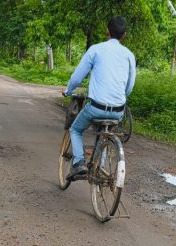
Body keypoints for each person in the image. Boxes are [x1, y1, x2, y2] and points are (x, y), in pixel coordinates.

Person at [63, 16, 136, 180]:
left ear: (107, 31)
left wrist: (69, 90)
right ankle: (99, 166)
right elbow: (129, 86)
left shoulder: (95, 50)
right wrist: (119, 99)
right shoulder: (129, 55)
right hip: (118, 111)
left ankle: (79, 163)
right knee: (105, 131)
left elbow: (77, 78)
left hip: (96, 107)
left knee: (75, 129)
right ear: (123, 35)